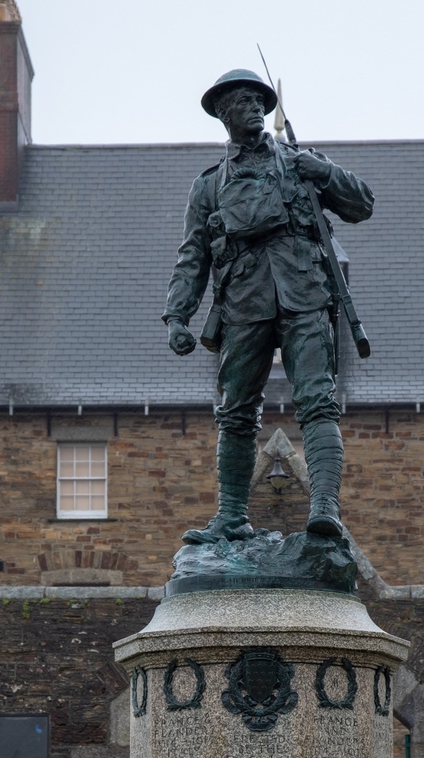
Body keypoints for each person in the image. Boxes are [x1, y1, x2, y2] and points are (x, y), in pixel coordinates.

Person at [163, 69, 374, 545]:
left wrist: (323, 171)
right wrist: (178, 316)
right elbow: (193, 255)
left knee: (318, 403)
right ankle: (231, 517)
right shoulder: (209, 186)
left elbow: (362, 204)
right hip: (243, 303)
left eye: (261, 100)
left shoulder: (303, 163)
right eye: (243, 100)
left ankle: (324, 509)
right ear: (224, 113)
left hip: (305, 295)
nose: (257, 106)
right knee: (235, 413)